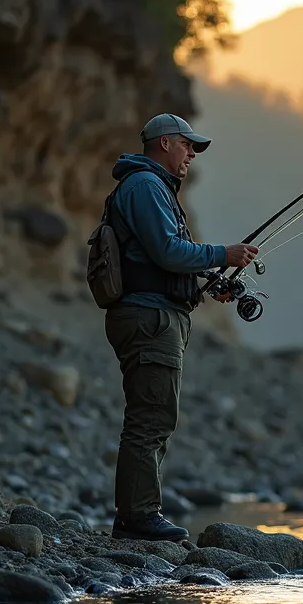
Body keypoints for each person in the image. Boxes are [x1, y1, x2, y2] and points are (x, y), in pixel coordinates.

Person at [101, 113, 258, 542]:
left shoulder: (150, 187)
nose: (192, 154)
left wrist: (206, 282)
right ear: (165, 142)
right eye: (189, 145)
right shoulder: (146, 186)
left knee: (154, 417)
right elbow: (169, 251)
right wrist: (222, 254)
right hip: (148, 318)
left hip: (153, 313)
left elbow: (157, 259)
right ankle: (137, 518)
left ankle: (138, 515)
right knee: (150, 419)